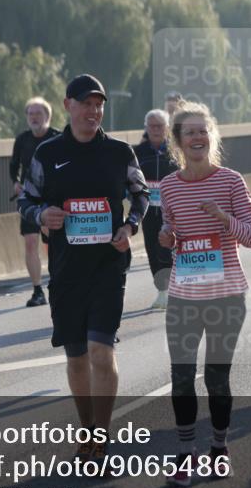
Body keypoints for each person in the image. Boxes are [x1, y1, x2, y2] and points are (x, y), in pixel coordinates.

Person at [19, 74, 149, 463]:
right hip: (66, 270)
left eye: (99, 104)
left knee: (100, 352)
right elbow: (25, 201)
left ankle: (102, 439)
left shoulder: (120, 152)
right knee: (76, 358)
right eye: (86, 103)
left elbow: (142, 195)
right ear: (68, 106)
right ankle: (86, 429)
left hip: (108, 266)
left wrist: (130, 226)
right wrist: (43, 214)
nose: (94, 111)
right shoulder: (47, 153)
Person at [158, 100, 251, 486]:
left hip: (226, 295)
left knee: (217, 378)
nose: (198, 137)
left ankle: (219, 449)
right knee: (182, 376)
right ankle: (185, 453)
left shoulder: (231, 181)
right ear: (178, 141)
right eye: (190, 132)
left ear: (211, 136)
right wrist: (165, 236)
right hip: (184, 295)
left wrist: (223, 218)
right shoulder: (168, 186)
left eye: (203, 130)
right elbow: (170, 234)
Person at [10, 97, 60, 307]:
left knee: (53, 244)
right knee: (31, 242)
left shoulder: (58, 138)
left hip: (52, 200)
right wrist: (15, 183)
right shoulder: (22, 140)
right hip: (30, 199)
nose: (34, 118)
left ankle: (57, 281)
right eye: (30, 114)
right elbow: (14, 166)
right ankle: (37, 290)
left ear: (47, 116)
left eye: (38, 114)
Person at [133, 109, 178, 309]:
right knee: (152, 249)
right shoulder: (138, 152)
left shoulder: (177, 151)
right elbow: (130, 179)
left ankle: (173, 290)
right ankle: (162, 291)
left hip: (173, 211)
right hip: (149, 211)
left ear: (167, 128)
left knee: (169, 249)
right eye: (152, 126)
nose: (156, 129)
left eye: (160, 126)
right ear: (146, 128)